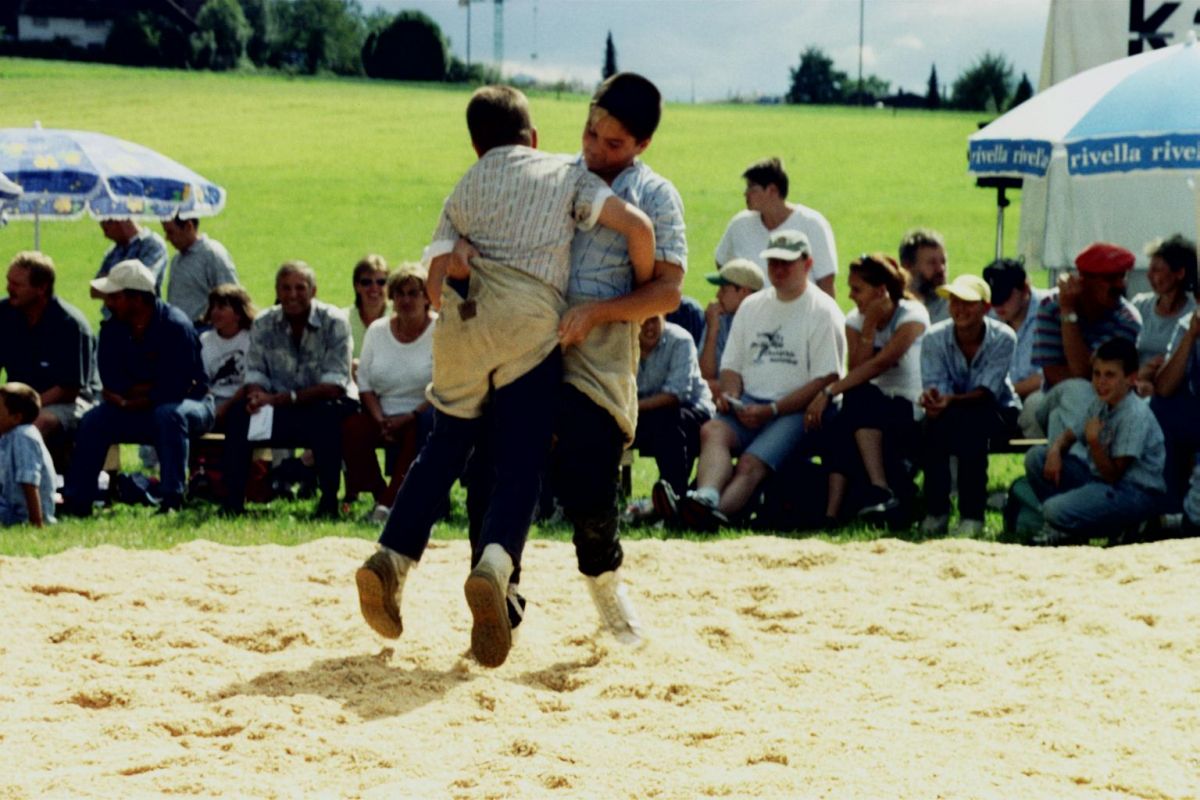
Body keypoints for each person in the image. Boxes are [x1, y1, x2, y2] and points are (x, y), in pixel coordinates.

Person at [355, 84, 655, 668]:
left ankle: (392, 558)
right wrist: (642, 293)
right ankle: (495, 562)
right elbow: (638, 227)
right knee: (521, 459)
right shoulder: (562, 175)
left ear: (475, 146)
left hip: (462, 321)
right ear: (533, 137)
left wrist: (466, 272)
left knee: (444, 448)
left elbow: (435, 284)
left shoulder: (464, 187)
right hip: (528, 322)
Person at [663, 230, 845, 531]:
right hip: (749, 403)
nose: (779, 269)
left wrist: (772, 410)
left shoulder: (823, 311)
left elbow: (826, 378)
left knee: (751, 463)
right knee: (713, 431)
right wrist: (731, 396)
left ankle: (708, 516)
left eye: (787, 262)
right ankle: (706, 497)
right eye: (773, 262)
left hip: (796, 411)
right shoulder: (752, 306)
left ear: (808, 264)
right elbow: (731, 367)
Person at [60, 260, 213, 516]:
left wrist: (134, 397)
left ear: (137, 299)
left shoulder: (176, 326)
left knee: (169, 415)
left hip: (192, 406)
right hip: (135, 408)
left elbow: (178, 388)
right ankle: (77, 499)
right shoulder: (112, 329)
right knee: (94, 420)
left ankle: (172, 498)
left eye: (114, 297)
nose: (108, 303)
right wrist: (143, 392)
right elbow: (113, 383)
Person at [220, 261, 358, 518]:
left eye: (300, 288)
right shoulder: (264, 322)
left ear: (313, 291)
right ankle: (233, 501)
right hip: (278, 406)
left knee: (327, 414)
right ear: (277, 291)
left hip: (321, 404)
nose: (292, 294)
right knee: (239, 415)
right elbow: (255, 370)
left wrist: (279, 399)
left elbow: (334, 385)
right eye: (286, 288)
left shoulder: (334, 322)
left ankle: (328, 501)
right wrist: (256, 395)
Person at [812, 253, 928, 525]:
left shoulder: (912, 315)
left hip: (911, 405)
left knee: (856, 400)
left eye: (857, 289)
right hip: (873, 406)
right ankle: (835, 512)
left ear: (880, 291)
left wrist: (828, 392)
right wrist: (869, 325)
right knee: (845, 415)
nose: (850, 296)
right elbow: (857, 367)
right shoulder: (855, 320)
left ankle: (875, 491)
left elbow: (880, 364)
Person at [1024, 337, 1165, 545]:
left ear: (1131, 378)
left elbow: (1113, 475)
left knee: (1053, 510)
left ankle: (1130, 526)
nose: (1101, 382)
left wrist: (1094, 442)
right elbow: (1070, 435)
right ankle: (1066, 531)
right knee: (1037, 458)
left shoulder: (1134, 414)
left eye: (1110, 375)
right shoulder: (1100, 403)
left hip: (1133, 492)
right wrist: (1055, 450)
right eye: (1096, 374)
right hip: (1100, 482)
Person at [918, 275, 1019, 536]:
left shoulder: (1003, 337)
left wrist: (948, 401)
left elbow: (988, 391)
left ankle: (971, 515)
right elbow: (936, 385)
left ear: (985, 307)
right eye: (955, 302)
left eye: (968, 303)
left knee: (971, 424)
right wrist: (933, 399)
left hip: (998, 411)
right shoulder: (933, 337)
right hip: (951, 412)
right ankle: (936, 512)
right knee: (933, 425)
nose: (960, 309)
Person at [341, 263, 435, 523]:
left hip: (423, 412)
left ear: (427, 297)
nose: (406, 300)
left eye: (413, 293)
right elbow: (364, 381)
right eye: (400, 293)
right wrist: (380, 419)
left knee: (419, 432)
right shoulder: (378, 330)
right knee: (351, 428)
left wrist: (410, 416)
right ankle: (382, 495)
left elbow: (443, 385)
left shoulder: (440, 330)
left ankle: (387, 505)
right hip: (381, 412)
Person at [1029, 242, 1142, 441]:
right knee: (1075, 390)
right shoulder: (1051, 306)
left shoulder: (1127, 319)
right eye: (1110, 279)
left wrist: (1068, 313)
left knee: (1059, 417)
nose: (1120, 285)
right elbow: (1054, 373)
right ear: (1084, 281)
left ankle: (1063, 458)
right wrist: (1068, 311)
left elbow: (1096, 377)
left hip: (1104, 403)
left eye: (1122, 276)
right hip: (1054, 394)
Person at [0, 251, 99, 455]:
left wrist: (21, 410)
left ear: (42, 288)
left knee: (34, 425)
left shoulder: (69, 324)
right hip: (18, 402)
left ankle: (26, 474)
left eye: (17, 284)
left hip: (70, 403)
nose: (9, 289)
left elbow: (68, 390)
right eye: (8, 282)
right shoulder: (5, 314)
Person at [713, 156, 838, 298]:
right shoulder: (739, 224)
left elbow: (826, 282)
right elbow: (722, 262)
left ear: (772, 190)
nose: (745, 193)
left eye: (752, 187)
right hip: (752, 311)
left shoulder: (813, 224)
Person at [634, 314, 713, 501]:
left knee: (667, 420)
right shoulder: (623, 343)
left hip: (691, 409)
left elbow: (676, 395)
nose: (649, 327)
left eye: (654, 320)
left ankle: (674, 494)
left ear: (664, 317)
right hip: (645, 412)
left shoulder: (680, 340)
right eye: (643, 321)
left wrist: (633, 407)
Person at [983, 258, 1048, 436]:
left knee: (1036, 408)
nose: (998, 305)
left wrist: (1005, 391)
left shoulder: (1049, 309)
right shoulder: (989, 316)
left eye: (1004, 297)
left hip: (1038, 393)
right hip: (998, 397)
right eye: (993, 299)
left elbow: (1047, 376)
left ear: (1025, 288)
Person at [1130, 235, 1196, 392]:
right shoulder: (1140, 306)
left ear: (1180, 273)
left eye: (1157, 270)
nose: (1149, 275)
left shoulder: (1193, 314)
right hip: (1135, 387)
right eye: (1149, 269)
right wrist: (1141, 374)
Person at [698, 258, 763, 394]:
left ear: (743, 292)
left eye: (723, 289)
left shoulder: (765, 323)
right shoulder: (719, 319)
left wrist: (715, 387)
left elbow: (754, 384)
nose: (717, 295)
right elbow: (705, 375)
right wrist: (712, 330)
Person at [161, 215, 239, 326]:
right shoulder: (176, 259)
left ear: (189, 226)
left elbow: (231, 297)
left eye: (170, 232)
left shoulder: (213, 254)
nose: (167, 238)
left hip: (203, 330)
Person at [0, 382, 57, 527]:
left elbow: (30, 482)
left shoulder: (23, 436)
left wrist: (36, 522)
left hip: (21, 515)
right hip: (10, 508)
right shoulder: (9, 434)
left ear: (16, 417)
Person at [199, 283, 256, 429]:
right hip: (211, 401)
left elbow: (251, 382)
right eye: (213, 307)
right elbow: (202, 380)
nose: (215, 312)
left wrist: (225, 407)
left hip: (242, 401)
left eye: (221, 307)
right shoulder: (204, 340)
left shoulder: (251, 339)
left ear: (238, 313)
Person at [95, 219, 168, 293]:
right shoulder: (114, 250)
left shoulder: (152, 245)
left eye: (106, 230)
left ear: (120, 221)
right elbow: (95, 289)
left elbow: (142, 283)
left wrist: (110, 281)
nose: (106, 236)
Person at [344, 254, 390, 366]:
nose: (374, 288)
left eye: (381, 282)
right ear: (357, 286)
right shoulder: (343, 320)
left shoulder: (400, 318)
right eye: (366, 282)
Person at [900, 228, 949, 324]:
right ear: (907, 267)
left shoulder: (953, 308)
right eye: (932, 263)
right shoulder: (892, 308)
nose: (941, 269)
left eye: (943, 262)